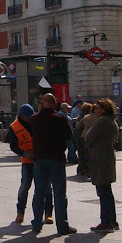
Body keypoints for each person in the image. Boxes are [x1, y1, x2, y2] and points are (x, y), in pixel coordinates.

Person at [30, 93, 77, 235]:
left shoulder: (34, 119)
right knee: (59, 193)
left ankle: (37, 223)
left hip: (39, 158)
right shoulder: (60, 119)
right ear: (55, 103)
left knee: (39, 192)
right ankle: (62, 225)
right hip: (56, 158)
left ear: (43, 103)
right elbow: (69, 136)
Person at [6, 104, 54, 225]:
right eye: (28, 117)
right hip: (27, 161)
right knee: (25, 186)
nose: (30, 119)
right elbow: (13, 145)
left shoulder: (37, 122)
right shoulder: (14, 127)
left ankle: (48, 214)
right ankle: (20, 213)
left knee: (47, 187)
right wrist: (24, 153)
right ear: (21, 116)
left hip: (41, 159)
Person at [84, 98, 119, 233]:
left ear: (104, 109)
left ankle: (106, 221)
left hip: (100, 158)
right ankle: (112, 220)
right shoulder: (112, 121)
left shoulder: (102, 121)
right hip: (108, 157)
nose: (95, 110)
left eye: (97, 108)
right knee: (107, 190)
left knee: (103, 191)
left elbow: (88, 138)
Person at [74, 103, 94, 176]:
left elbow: (77, 126)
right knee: (86, 155)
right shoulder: (87, 117)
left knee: (81, 154)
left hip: (79, 137)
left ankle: (81, 169)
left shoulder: (81, 116)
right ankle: (85, 169)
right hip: (85, 138)